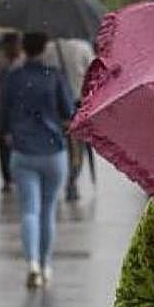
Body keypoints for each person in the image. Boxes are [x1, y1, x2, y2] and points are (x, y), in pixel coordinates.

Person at [0, 31, 76, 288]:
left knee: (29, 211)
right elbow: (69, 113)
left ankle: (31, 262)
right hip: (53, 151)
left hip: (22, 152)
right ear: (44, 49)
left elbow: (2, 114)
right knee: (48, 210)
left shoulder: (13, 77)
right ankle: (45, 265)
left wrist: (10, 133)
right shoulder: (54, 76)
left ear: (24, 48)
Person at [42, 37, 96, 201]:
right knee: (77, 147)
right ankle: (72, 181)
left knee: (55, 144)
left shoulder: (47, 49)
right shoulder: (84, 48)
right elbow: (95, 75)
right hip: (78, 103)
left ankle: (55, 179)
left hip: (54, 105)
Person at [0, 32, 23, 193]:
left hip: (21, 108)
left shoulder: (24, 60)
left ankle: (18, 174)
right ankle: (7, 179)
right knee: (3, 146)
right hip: (1, 108)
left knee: (20, 143)